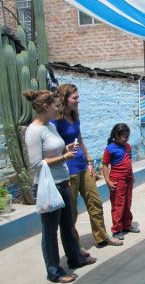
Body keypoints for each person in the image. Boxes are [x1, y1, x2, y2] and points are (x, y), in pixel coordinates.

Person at [24, 90, 96, 284]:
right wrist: (64, 157)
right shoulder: (34, 131)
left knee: (67, 225)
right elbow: (36, 164)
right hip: (48, 187)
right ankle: (54, 271)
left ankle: (76, 258)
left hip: (63, 183)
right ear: (45, 107)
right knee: (50, 232)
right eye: (56, 106)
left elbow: (59, 147)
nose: (59, 109)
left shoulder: (50, 127)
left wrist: (67, 150)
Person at [52, 84, 122, 250]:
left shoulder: (75, 117)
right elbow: (53, 147)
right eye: (74, 98)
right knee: (72, 212)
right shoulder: (56, 122)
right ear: (64, 99)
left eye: (78, 97)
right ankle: (74, 246)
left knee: (95, 203)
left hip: (83, 167)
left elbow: (80, 141)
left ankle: (102, 237)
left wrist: (90, 162)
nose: (78, 100)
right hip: (68, 171)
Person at [102, 123, 139, 241]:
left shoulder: (127, 147)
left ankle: (127, 225)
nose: (127, 139)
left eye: (128, 137)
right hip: (117, 180)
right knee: (118, 205)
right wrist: (108, 181)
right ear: (117, 135)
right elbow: (104, 165)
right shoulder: (110, 148)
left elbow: (129, 162)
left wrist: (131, 176)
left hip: (128, 179)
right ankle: (117, 229)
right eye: (124, 137)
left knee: (128, 203)